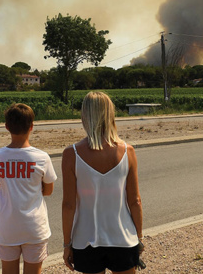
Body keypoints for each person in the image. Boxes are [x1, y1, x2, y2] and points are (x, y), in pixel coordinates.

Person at [61, 91, 144, 273]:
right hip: (123, 237)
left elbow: (68, 205)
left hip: (86, 240)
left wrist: (67, 244)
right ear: (110, 114)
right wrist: (138, 236)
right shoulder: (128, 151)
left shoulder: (71, 154)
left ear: (85, 115)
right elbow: (135, 201)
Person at [0, 103, 57, 274]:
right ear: (31, 127)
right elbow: (48, 190)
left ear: (6, 127)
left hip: (8, 228)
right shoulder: (41, 157)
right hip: (35, 228)